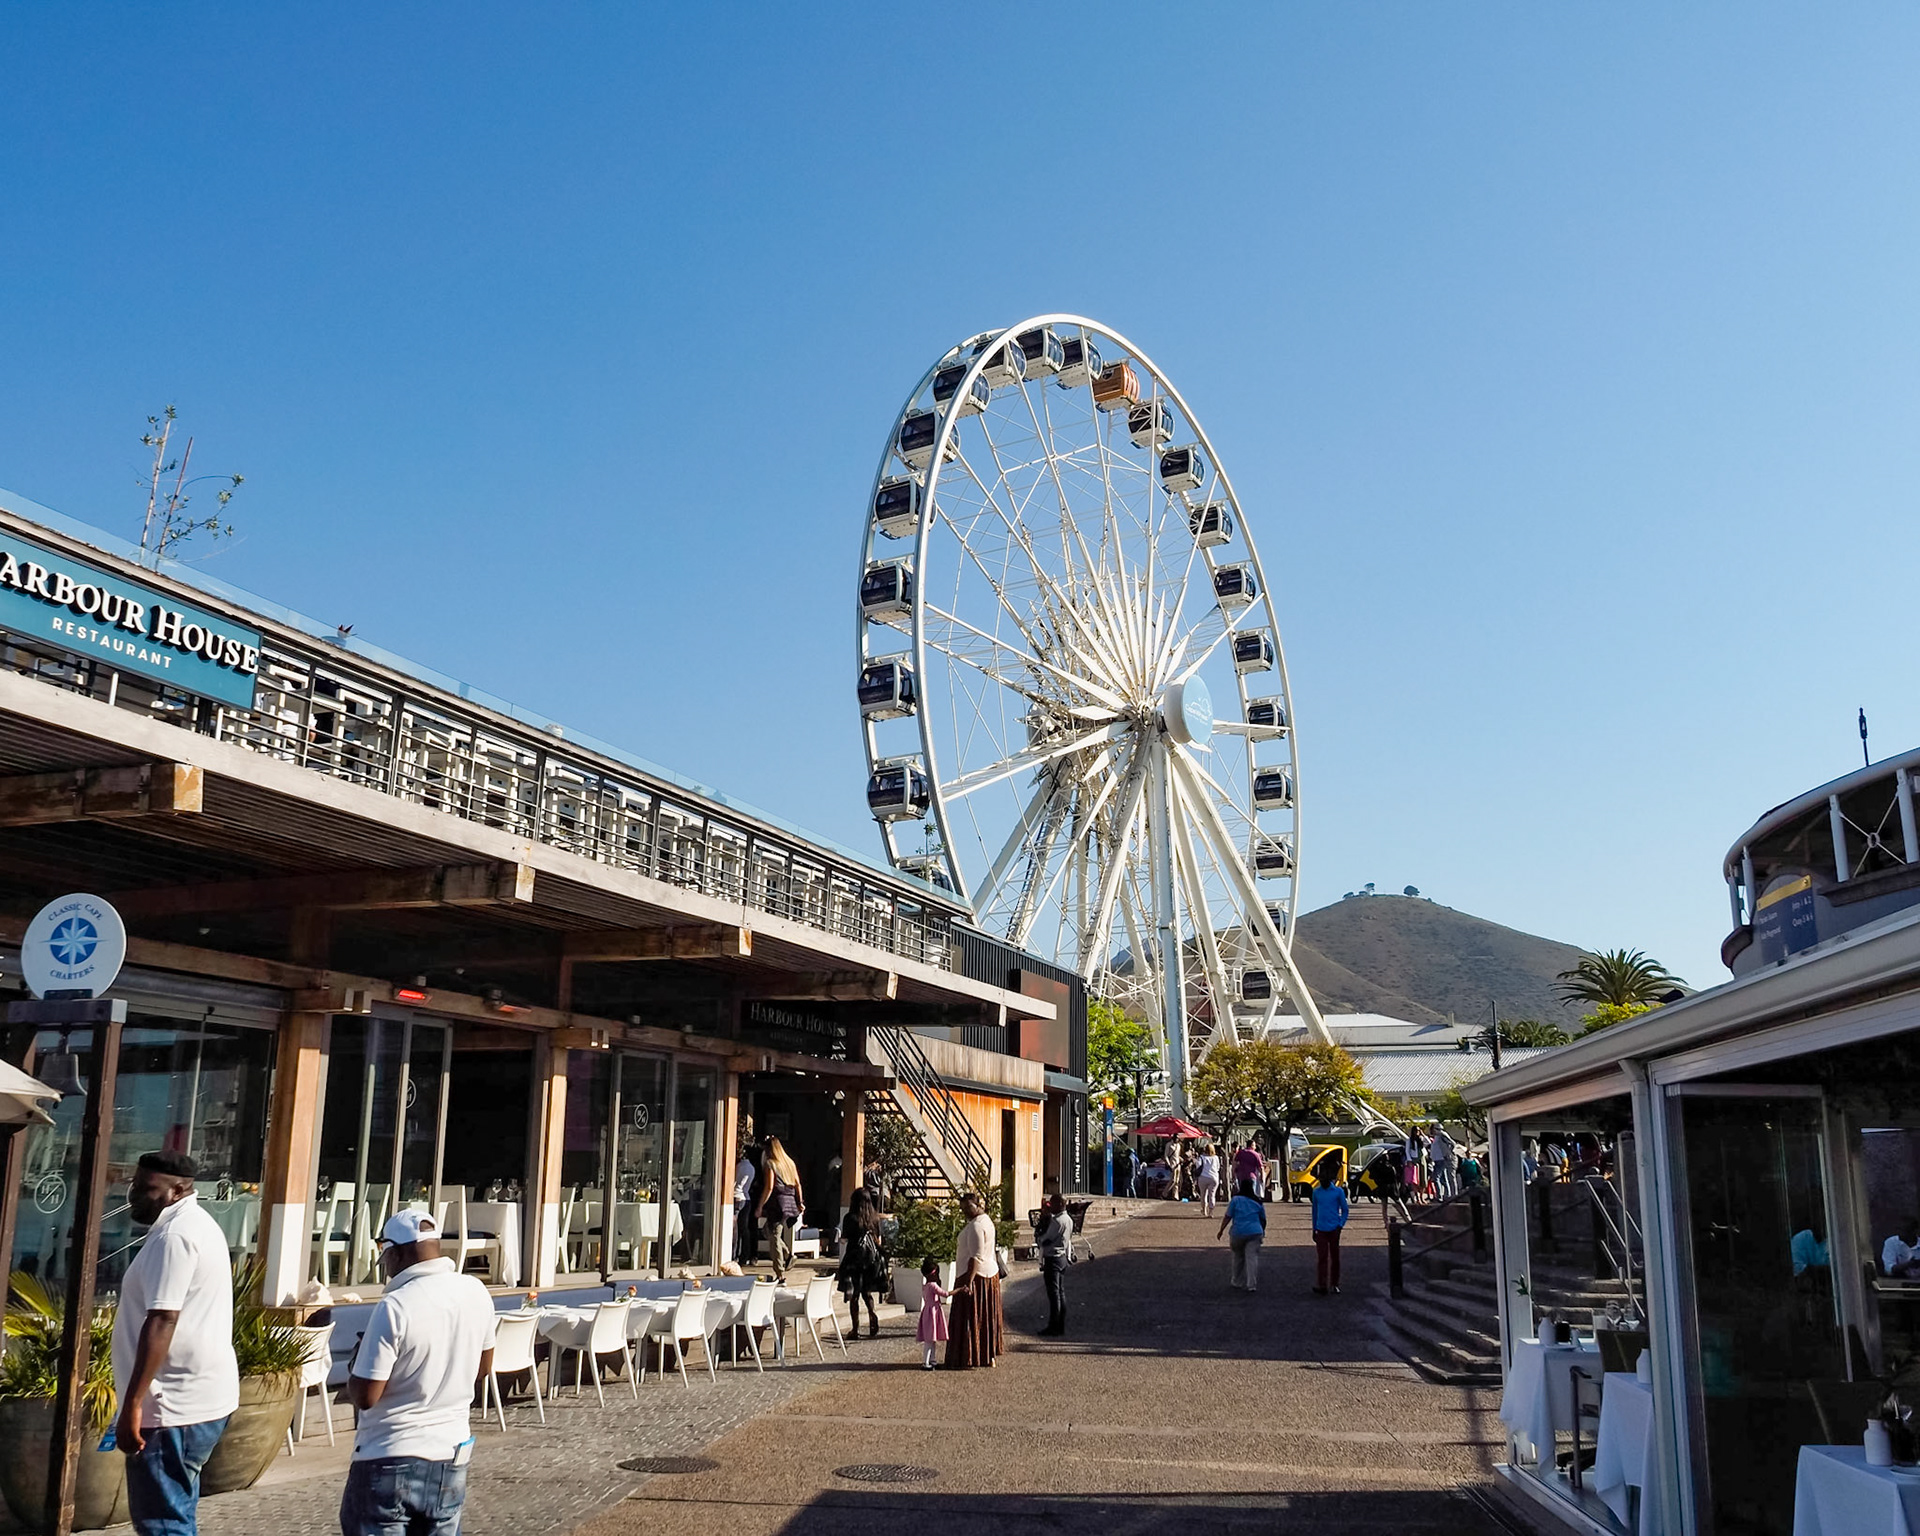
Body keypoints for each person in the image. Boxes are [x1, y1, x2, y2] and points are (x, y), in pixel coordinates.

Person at [342, 1208, 496, 1536]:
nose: (385, 1265)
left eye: (384, 1254)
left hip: (389, 1453)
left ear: (397, 1253)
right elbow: (483, 1368)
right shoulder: (475, 1291)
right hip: (451, 1453)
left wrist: (356, 1364)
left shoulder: (395, 1305)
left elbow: (366, 1396)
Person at [111, 1150, 239, 1536]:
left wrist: (133, 1404)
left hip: (171, 1407)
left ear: (178, 1190)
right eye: (134, 1185)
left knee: (163, 1525)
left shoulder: (175, 1236)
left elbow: (163, 1318)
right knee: (174, 1516)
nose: (134, 1194)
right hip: (193, 1403)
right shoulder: (196, 1225)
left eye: (146, 1188)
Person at [945, 1191, 1005, 1368]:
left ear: (978, 1205)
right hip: (988, 1273)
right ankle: (986, 1355)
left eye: (968, 1207)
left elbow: (975, 1257)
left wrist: (968, 1282)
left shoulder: (976, 1226)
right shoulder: (986, 1221)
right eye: (963, 1208)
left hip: (975, 1275)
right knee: (984, 1317)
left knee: (971, 1318)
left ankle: (970, 1356)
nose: (965, 1211)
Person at [836, 1187, 887, 1339]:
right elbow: (878, 1240)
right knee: (867, 1292)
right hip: (871, 1261)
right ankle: (872, 1313)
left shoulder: (850, 1218)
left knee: (855, 1295)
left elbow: (844, 1239)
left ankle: (855, 1329)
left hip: (854, 1260)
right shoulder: (874, 1218)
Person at [756, 1135, 804, 1282]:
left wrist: (760, 1206)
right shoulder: (789, 1163)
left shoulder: (771, 1164)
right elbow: (798, 1184)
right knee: (769, 1232)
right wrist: (800, 1202)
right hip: (789, 1202)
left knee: (774, 1237)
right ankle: (788, 1255)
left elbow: (769, 1187)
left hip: (777, 1204)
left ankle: (780, 1272)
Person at [1217, 1176, 1267, 1293]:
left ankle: (1236, 1281)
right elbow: (1263, 1219)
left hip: (1238, 1232)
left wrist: (1221, 1230)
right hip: (1255, 1232)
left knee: (1238, 1257)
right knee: (1252, 1258)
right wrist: (1262, 1230)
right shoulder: (1258, 1201)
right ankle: (1251, 1284)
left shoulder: (1236, 1200)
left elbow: (1228, 1216)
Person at [1309, 1155, 1350, 1295]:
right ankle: (1322, 1284)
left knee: (1335, 1257)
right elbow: (1314, 1211)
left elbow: (1345, 1209)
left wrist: (1340, 1224)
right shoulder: (1316, 1192)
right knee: (1322, 1258)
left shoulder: (1338, 1192)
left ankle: (1334, 1283)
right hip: (1321, 1228)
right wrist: (1314, 1228)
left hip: (1334, 1228)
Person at [1035, 1193, 1074, 1335]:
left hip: (1053, 1258)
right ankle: (1060, 1325)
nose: (1050, 1207)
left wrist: (1039, 1237)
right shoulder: (1068, 1219)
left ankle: (1053, 1326)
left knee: (1054, 1295)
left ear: (1060, 1204)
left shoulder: (1057, 1221)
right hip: (1062, 1257)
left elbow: (1046, 1239)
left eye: (1053, 1204)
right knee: (1060, 1292)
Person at [916, 1258, 951, 1369]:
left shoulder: (926, 1286)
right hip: (933, 1313)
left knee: (931, 1339)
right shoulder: (933, 1285)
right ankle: (926, 1362)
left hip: (928, 1312)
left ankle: (932, 1359)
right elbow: (945, 1294)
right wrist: (959, 1290)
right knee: (930, 1340)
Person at [732, 1140, 759, 1266]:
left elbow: (734, 1182)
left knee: (735, 1229)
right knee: (744, 1228)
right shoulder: (752, 1168)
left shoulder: (739, 1166)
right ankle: (745, 1255)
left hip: (736, 1196)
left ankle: (734, 1255)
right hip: (746, 1197)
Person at [1429, 1125, 1458, 1200]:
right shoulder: (1437, 1137)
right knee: (1447, 1177)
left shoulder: (1442, 1134)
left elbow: (1453, 1143)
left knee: (1451, 1177)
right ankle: (1450, 1194)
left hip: (1449, 1158)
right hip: (1445, 1158)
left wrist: (1449, 1152)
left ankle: (1454, 1195)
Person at [1193, 1144, 1221, 1216]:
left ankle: (1204, 1210)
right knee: (1212, 1195)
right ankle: (1211, 1211)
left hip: (1203, 1177)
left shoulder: (1202, 1157)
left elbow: (1198, 1166)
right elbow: (1218, 1167)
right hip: (1214, 1177)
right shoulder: (1216, 1157)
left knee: (1203, 1195)